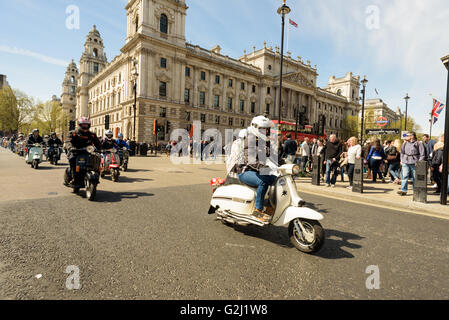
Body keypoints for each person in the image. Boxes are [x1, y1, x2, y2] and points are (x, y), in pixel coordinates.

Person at [232, 116, 278, 223]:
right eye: (263, 129)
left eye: (266, 129)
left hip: (256, 170)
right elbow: (251, 162)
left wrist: (282, 165)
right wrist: (266, 168)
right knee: (263, 182)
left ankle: (270, 206)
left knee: (276, 180)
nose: (265, 131)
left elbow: (271, 156)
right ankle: (258, 210)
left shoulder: (262, 141)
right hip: (245, 171)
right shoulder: (250, 140)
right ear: (255, 127)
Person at [67, 117, 102, 186]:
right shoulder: (74, 133)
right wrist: (70, 147)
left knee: (97, 159)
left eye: (87, 125)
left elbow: (98, 144)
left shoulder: (92, 134)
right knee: (72, 159)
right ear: (79, 125)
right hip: (76, 152)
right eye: (83, 125)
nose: (85, 126)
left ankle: (96, 176)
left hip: (88, 152)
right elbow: (68, 141)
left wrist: (101, 149)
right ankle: (74, 177)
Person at [397, 132, 426, 196]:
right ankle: (403, 190)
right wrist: (401, 160)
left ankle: (415, 191)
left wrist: (419, 162)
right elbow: (402, 153)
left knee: (414, 177)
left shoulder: (419, 143)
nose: (406, 136)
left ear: (412, 136)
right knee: (404, 176)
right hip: (405, 161)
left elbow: (422, 154)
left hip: (414, 162)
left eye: (407, 135)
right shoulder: (404, 143)